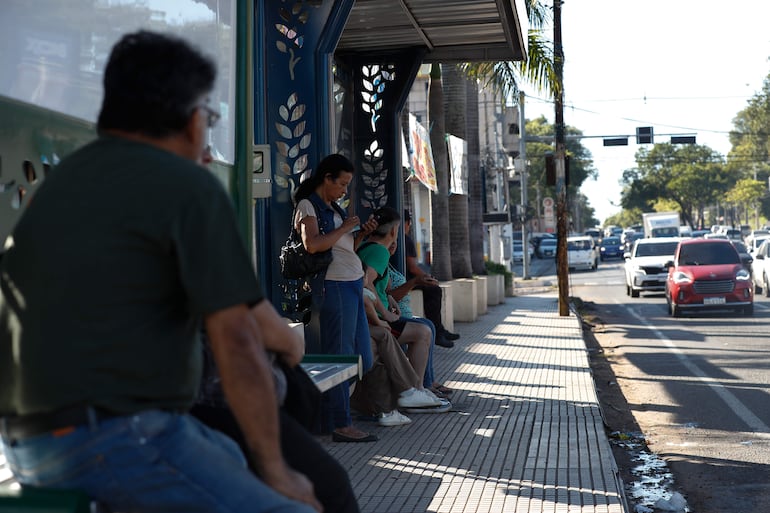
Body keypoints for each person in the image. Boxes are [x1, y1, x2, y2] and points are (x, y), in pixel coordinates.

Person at [0, 31, 319, 512]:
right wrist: (278, 472)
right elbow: (237, 340)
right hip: (113, 433)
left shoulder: (65, 180)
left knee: (229, 454)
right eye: (210, 118)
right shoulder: (184, 185)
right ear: (194, 121)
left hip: (29, 443)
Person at [293, 154, 378, 442]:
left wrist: (360, 235)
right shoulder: (308, 206)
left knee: (362, 357)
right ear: (326, 178)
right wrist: (343, 228)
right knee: (341, 357)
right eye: (341, 183)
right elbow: (313, 244)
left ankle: (330, 411)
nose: (344, 190)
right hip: (334, 285)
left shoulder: (334, 207)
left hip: (352, 282)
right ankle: (340, 423)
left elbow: (343, 248)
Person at [397, 209, 460, 347]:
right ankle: (438, 332)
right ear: (408, 223)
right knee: (434, 289)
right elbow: (413, 267)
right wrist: (429, 278)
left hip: (397, 278)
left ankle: (440, 330)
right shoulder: (405, 239)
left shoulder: (396, 238)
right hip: (404, 280)